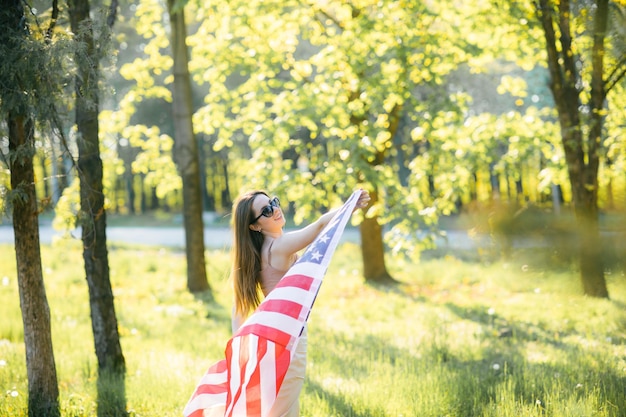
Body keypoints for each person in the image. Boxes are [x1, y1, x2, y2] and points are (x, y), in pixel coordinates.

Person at [229, 189, 370, 417]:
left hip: (276, 338)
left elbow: (238, 307)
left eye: (274, 202)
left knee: (284, 406)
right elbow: (317, 227)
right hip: (288, 340)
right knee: (283, 410)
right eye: (266, 210)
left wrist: (241, 347)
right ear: (255, 226)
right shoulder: (278, 247)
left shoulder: (260, 251)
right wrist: (349, 207)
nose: (275, 209)